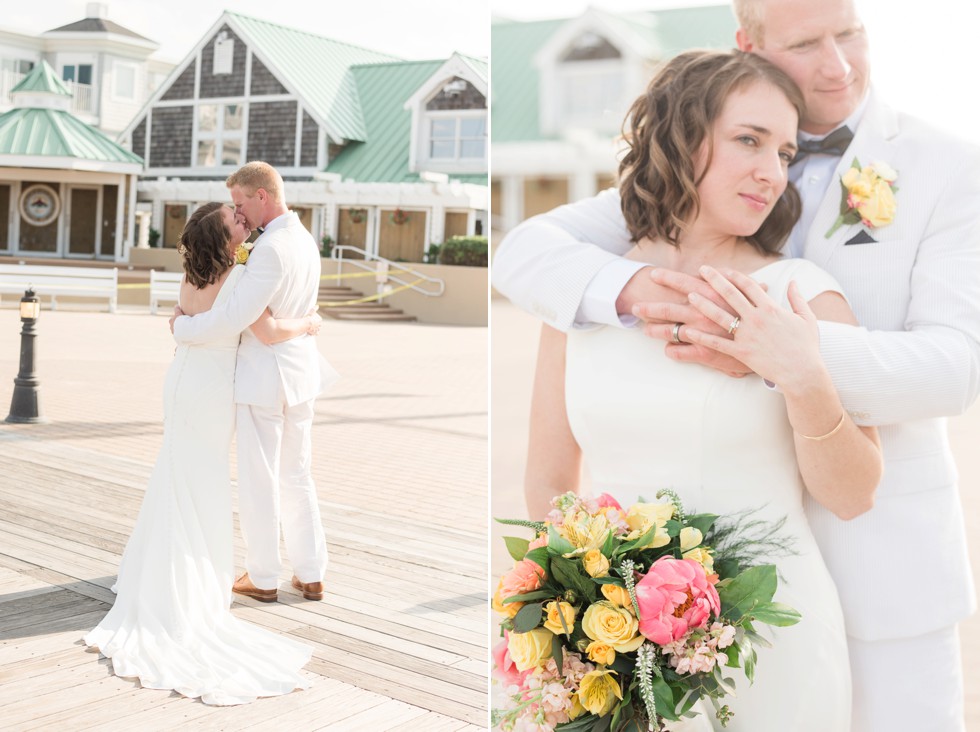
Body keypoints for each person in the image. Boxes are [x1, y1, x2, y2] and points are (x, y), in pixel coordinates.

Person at [492, 1, 980, 729]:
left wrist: (780, 353)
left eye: (850, 32)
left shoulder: (933, 173)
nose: (837, 62)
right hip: (620, 632)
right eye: (807, 41)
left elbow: (958, 369)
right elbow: (527, 255)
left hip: (846, 591)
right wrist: (565, 609)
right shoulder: (593, 283)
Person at [523, 48, 879, 731]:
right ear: (682, 137)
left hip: (774, 647)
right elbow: (548, 485)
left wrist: (801, 376)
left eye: (784, 151)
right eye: (749, 140)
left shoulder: (802, 295)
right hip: (620, 652)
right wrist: (584, 618)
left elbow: (855, 492)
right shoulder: (582, 293)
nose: (771, 172)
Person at [85, 202, 321, 704]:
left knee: (180, 474)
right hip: (210, 388)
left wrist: (178, 327)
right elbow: (246, 329)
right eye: (235, 220)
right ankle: (191, 581)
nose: (243, 221)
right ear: (223, 237)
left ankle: (169, 565)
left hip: (183, 381)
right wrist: (308, 323)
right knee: (204, 479)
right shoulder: (236, 277)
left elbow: (186, 321)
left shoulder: (193, 274)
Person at [171, 161, 336, 604]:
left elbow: (242, 320)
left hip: (265, 378)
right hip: (301, 376)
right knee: (298, 474)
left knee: (260, 479)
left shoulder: (269, 249)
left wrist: (182, 329)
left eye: (241, 202)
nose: (239, 213)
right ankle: (311, 572)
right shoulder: (304, 241)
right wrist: (309, 322)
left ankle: (263, 577)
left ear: (262, 195)